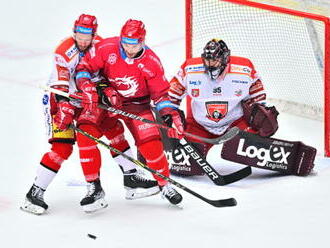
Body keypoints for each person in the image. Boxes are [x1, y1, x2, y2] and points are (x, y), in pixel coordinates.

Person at [21, 14, 158, 215]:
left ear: (94, 34)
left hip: (88, 99)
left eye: (88, 35)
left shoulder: (100, 46)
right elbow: (60, 82)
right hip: (61, 99)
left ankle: (131, 178)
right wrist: (63, 105)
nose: (83, 40)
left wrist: (106, 90)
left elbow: (104, 74)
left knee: (113, 129)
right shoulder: (63, 51)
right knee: (62, 147)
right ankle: (35, 193)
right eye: (79, 34)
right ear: (74, 31)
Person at [74, 19, 184, 206]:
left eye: (133, 45)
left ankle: (164, 185)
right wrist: (89, 88)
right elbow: (83, 68)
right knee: (84, 133)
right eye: (125, 43)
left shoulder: (152, 62)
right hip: (107, 100)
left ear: (142, 41)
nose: (128, 49)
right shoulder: (106, 47)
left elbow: (161, 94)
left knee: (151, 144)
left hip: (137, 104)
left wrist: (168, 112)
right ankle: (94, 187)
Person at [166, 38, 279, 176]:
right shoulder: (189, 69)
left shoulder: (244, 69)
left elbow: (258, 97)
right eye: (207, 60)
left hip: (235, 125)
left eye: (214, 61)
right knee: (186, 166)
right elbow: (170, 97)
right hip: (199, 125)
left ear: (225, 59)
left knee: (257, 143)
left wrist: (262, 115)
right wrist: (171, 119)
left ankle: (279, 154)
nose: (210, 64)